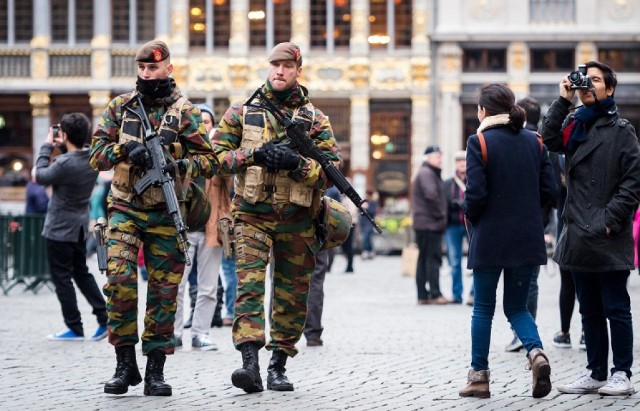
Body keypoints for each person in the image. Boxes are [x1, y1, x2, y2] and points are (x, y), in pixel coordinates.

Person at [89, 40, 217, 396]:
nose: (147, 74)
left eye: (153, 69)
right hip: (126, 207)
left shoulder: (185, 112)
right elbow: (96, 155)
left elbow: (210, 160)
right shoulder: (121, 107)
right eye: (142, 69)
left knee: (164, 292)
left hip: (166, 211)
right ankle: (124, 364)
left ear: (168, 69)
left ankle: (155, 370)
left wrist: (178, 162)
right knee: (119, 281)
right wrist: (125, 149)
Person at [211, 41, 340, 393]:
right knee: (248, 287)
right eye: (274, 65)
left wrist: (297, 164)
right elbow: (214, 159)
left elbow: (332, 172)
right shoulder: (242, 111)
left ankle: (278, 365)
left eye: (287, 66)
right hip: (251, 214)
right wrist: (254, 154)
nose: (279, 71)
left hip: (297, 218)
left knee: (292, 293)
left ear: (298, 70)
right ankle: (249, 364)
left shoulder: (315, 119)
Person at [540, 61, 640, 396]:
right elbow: (548, 140)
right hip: (579, 233)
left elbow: (633, 181)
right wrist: (563, 99)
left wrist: (610, 221)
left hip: (607, 232)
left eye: (596, 80)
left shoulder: (622, 130)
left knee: (615, 306)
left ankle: (621, 372)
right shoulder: (573, 123)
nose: (589, 85)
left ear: (610, 89)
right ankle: (596, 371)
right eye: (586, 80)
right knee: (589, 308)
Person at [458, 83, 557, 399]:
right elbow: (551, 192)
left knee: (483, 308)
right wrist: (529, 216)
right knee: (518, 307)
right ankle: (536, 352)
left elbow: (474, 195)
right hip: (526, 239)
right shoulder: (535, 142)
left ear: (483, 111)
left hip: (490, 238)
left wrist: (474, 219)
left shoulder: (480, 142)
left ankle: (479, 378)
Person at [36, 113, 107, 342]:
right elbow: (73, 160)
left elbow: (40, 176)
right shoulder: (91, 158)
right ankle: (104, 319)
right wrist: (65, 146)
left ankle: (74, 327)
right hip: (78, 226)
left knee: (62, 278)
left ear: (64, 135)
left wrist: (47, 147)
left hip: (59, 228)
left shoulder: (65, 163)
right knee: (82, 274)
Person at [173, 103, 228, 351]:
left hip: (212, 225)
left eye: (207, 121)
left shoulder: (221, 150)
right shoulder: (180, 148)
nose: (203, 125)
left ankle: (200, 333)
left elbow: (230, 175)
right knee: (176, 283)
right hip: (183, 226)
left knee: (208, 286)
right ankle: (173, 333)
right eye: (199, 121)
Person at [504, 96, 546, 352]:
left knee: (492, 296)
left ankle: (521, 333)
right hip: (536, 223)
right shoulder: (542, 143)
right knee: (530, 281)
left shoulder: (510, 141)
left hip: (507, 222)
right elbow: (550, 187)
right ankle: (528, 332)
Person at [411, 145, 448, 305]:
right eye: (438, 157)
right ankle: (434, 293)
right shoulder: (427, 173)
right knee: (431, 259)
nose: (441, 160)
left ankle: (423, 294)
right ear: (429, 158)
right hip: (430, 223)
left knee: (424, 259)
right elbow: (431, 196)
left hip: (425, 222)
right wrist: (441, 215)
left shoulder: (426, 172)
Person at [443, 150, 467, 304]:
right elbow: (443, 203)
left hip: (471, 224)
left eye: (464, 160)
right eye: (459, 161)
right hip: (452, 225)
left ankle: (474, 294)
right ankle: (457, 294)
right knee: (455, 261)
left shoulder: (475, 179)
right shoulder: (448, 182)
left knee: (477, 261)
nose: (462, 163)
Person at [304, 249, 329, 347]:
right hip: (317, 238)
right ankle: (313, 333)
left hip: (283, 237)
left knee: (281, 278)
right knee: (315, 282)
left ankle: (281, 332)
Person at [360, 190, 378, 260]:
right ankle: (371, 252)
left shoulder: (373, 203)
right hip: (363, 223)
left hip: (370, 223)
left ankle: (366, 252)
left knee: (366, 237)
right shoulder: (364, 202)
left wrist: (367, 207)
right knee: (367, 238)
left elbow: (373, 212)